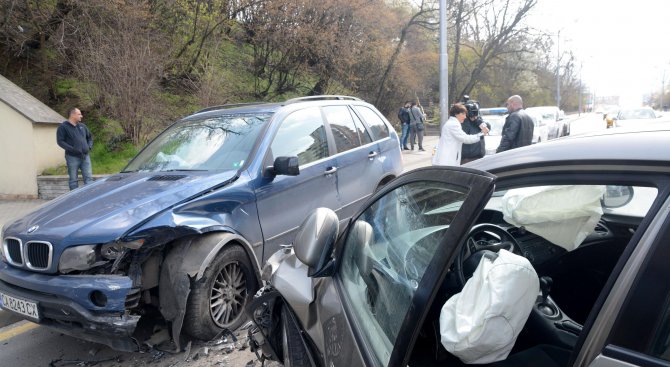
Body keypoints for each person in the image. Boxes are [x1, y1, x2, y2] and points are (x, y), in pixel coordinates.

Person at [57, 108, 94, 190]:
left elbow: (90, 138)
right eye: (79, 114)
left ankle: (90, 199)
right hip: (72, 157)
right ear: (73, 115)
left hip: (85, 156)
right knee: (73, 180)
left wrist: (89, 147)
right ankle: (74, 200)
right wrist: (72, 149)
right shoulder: (63, 127)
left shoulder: (83, 126)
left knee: (89, 179)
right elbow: (60, 141)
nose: (81, 116)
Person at [460, 100, 490, 164]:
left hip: (480, 157)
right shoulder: (463, 122)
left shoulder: (478, 121)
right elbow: (465, 134)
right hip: (467, 159)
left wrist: (478, 121)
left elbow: (487, 129)